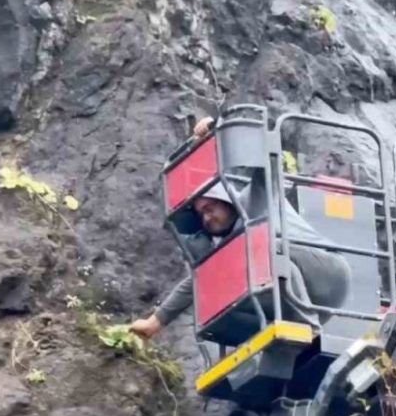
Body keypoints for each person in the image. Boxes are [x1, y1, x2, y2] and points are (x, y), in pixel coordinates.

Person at [129, 116, 352, 340]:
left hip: (326, 273)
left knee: (254, 247)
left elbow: (268, 157)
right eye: (201, 214)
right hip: (293, 296)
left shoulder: (253, 198)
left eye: (210, 208)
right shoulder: (222, 245)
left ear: (226, 199)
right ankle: (280, 341)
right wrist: (155, 322)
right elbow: (196, 280)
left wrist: (219, 129)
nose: (207, 217)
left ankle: (307, 327)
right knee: (218, 288)